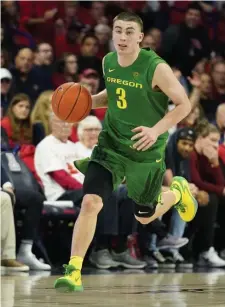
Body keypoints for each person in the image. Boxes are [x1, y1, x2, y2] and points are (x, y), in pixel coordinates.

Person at [54, 12, 198, 292]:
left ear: (140, 37)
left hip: (145, 148)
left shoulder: (156, 67)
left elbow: (183, 105)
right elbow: (112, 93)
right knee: (90, 203)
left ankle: (176, 193)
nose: (122, 37)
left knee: (144, 215)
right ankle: (74, 270)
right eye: (117, 30)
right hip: (111, 145)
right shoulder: (109, 61)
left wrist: (156, 130)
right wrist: (83, 105)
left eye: (129, 32)